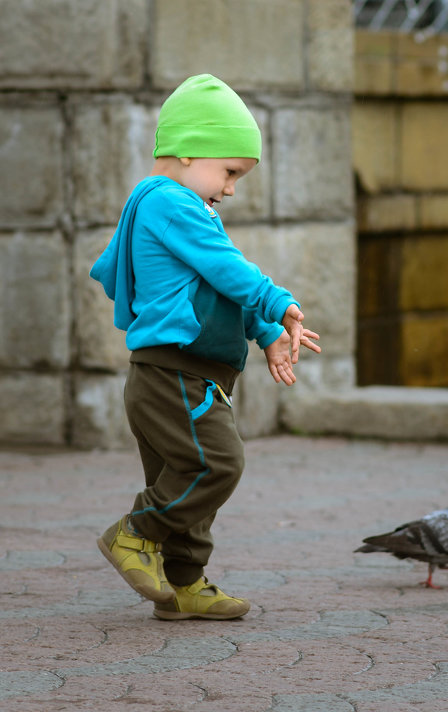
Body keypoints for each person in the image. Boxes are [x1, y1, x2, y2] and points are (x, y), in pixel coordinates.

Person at [90, 74, 321, 620]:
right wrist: (278, 303)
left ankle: (183, 585)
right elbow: (229, 270)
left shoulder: (183, 207)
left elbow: (216, 285)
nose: (232, 188)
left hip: (181, 375)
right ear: (191, 152)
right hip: (174, 374)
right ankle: (132, 533)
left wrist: (264, 334)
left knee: (187, 486)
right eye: (231, 171)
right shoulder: (169, 202)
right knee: (216, 463)